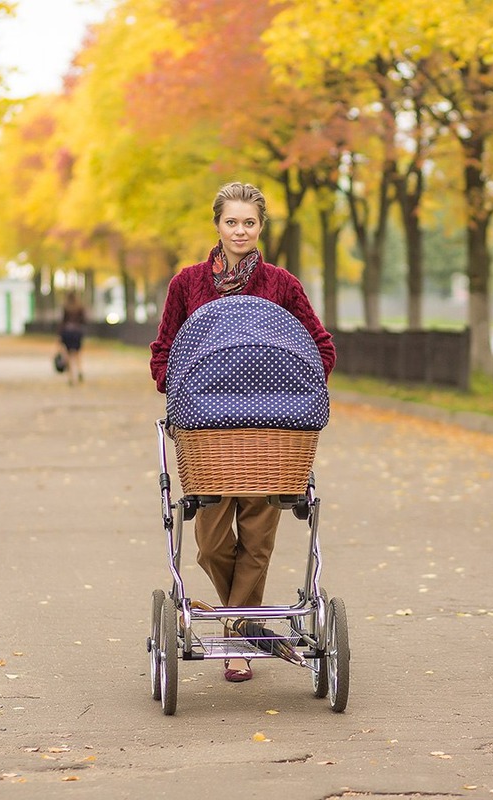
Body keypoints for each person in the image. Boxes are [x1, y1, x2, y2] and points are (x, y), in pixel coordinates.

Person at [150, 182, 336, 682]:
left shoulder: (281, 284)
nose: (240, 230)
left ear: (260, 228)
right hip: (208, 432)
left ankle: (236, 640)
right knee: (210, 543)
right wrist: (180, 388)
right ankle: (249, 622)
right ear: (217, 225)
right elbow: (164, 348)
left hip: (271, 429)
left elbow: (319, 343)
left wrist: (301, 389)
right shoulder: (188, 284)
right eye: (232, 222)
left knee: (257, 537)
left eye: (249, 222)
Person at [59, 290, 86, 386]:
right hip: (77, 332)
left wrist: (59, 336)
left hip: (67, 332)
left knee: (69, 355)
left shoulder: (66, 307)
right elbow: (84, 320)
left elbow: (62, 321)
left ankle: (70, 377)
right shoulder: (80, 307)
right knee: (77, 354)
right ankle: (80, 370)